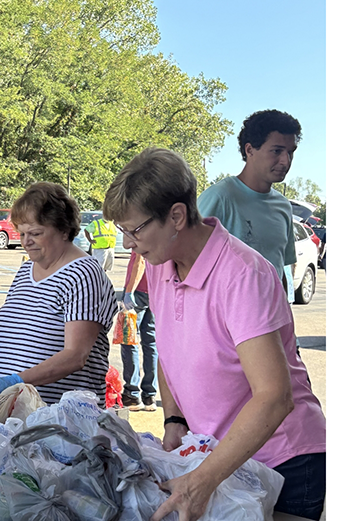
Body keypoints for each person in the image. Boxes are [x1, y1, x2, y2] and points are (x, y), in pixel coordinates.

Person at [103, 148, 326, 521]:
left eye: (135, 229)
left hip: (283, 461)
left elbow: (274, 397)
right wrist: (174, 419)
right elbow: (171, 351)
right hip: (221, 457)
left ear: (176, 216)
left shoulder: (242, 275)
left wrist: (201, 481)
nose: (128, 243)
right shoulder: (160, 264)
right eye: (122, 231)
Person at [0, 182, 118, 407]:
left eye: (36, 233)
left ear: (64, 230)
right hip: (11, 413)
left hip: (58, 419)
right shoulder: (25, 271)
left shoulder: (83, 274)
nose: (26, 241)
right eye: (22, 233)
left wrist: (18, 380)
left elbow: (75, 356)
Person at [197, 109, 301, 293]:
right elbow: (187, 264)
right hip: (225, 319)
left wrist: (284, 310)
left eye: (290, 152)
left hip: (269, 318)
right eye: (277, 151)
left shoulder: (283, 207)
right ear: (249, 149)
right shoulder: (220, 198)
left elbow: (281, 270)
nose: (285, 161)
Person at [119, 251, 158, 412]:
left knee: (129, 340)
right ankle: (150, 394)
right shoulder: (162, 231)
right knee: (151, 342)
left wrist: (129, 291)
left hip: (138, 293)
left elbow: (140, 262)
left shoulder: (141, 233)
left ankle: (132, 393)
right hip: (155, 292)